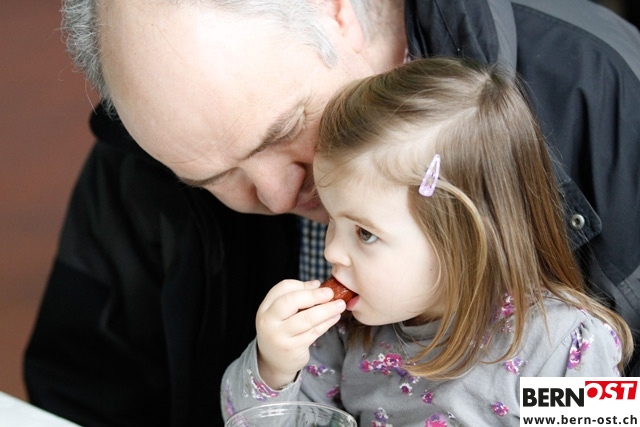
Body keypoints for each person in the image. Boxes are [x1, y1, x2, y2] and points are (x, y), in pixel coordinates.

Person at [25, 0, 640, 426]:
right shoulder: (147, 151)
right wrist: (271, 370)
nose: (275, 198)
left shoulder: (605, 89)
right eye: (211, 179)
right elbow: (84, 392)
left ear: (337, 10)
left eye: (284, 130)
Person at [220, 57, 634, 426]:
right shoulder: (345, 335)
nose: (331, 251)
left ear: (465, 241)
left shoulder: (565, 344)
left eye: (365, 233)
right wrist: (274, 368)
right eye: (332, 219)